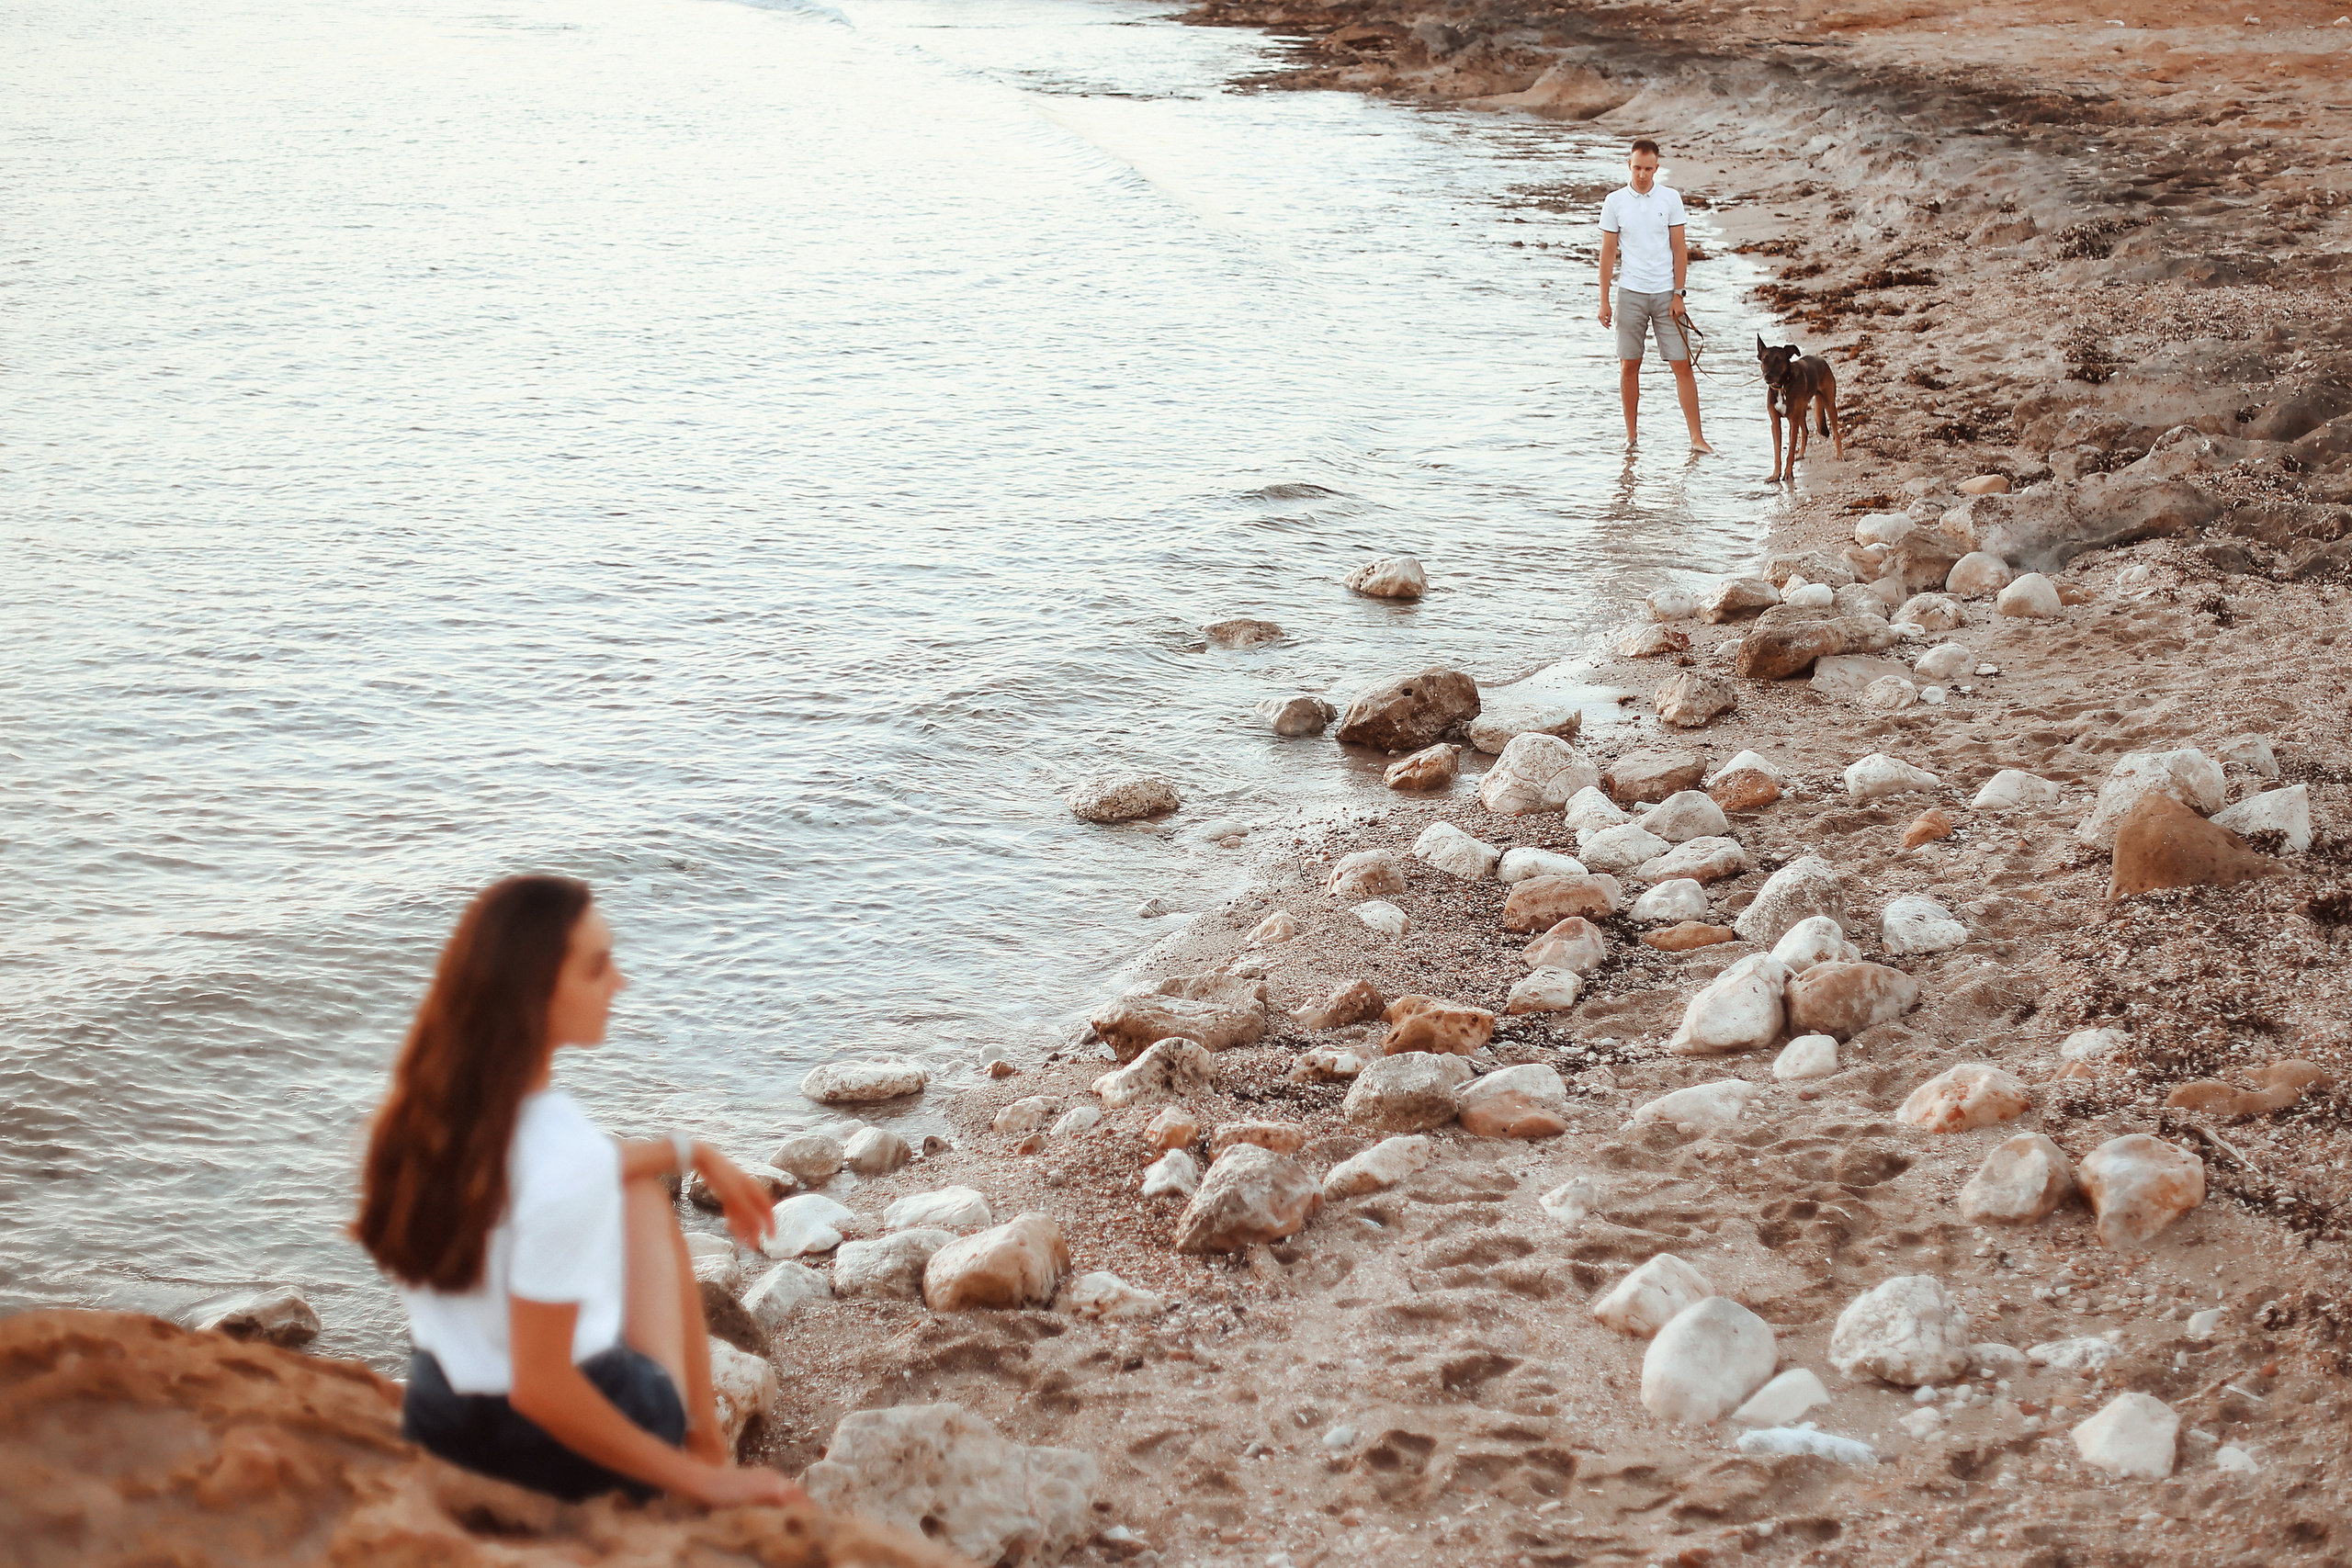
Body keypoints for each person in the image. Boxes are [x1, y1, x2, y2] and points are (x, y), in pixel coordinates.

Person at [353, 874, 802, 1507]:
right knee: (643, 1196)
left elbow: (573, 1168)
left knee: (632, 1180)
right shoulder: (565, 1152)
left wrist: (692, 1151)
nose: (619, 981)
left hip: (439, 1417)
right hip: (543, 1451)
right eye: (597, 967)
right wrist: (706, 1482)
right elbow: (541, 1388)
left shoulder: (423, 1119)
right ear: (534, 992)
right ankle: (703, 1441)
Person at [1596, 139, 1712, 454]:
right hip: (1630, 292)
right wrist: (1604, 299)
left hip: (1665, 294)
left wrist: (1679, 294)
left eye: (1648, 169)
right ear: (1629, 166)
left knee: (1682, 365)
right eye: (1637, 168)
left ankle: (1697, 439)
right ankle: (1631, 438)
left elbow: (1679, 249)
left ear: (1656, 168)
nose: (1642, 174)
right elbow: (1607, 253)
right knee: (1629, 365)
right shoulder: (1615, 201)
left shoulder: (1670, 199)